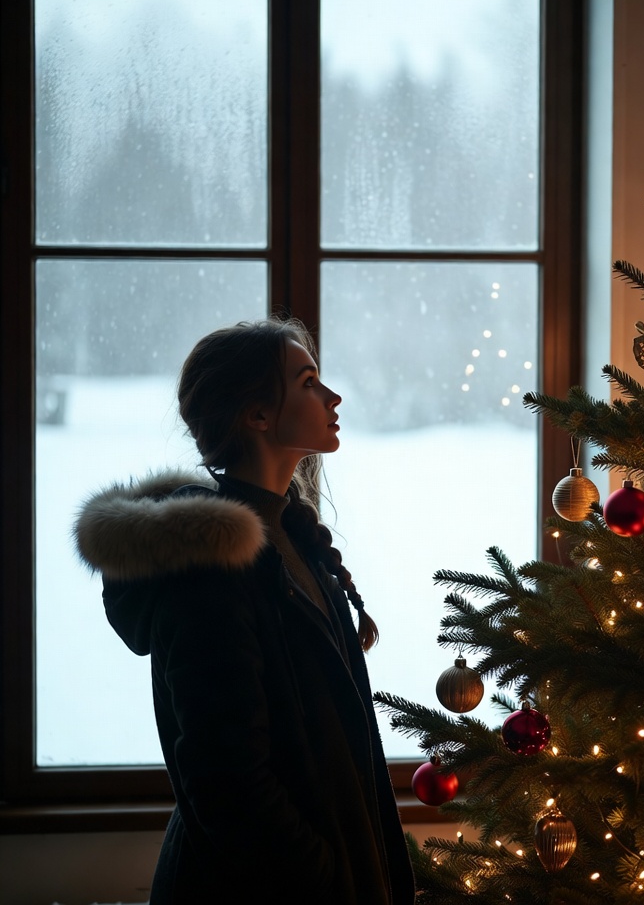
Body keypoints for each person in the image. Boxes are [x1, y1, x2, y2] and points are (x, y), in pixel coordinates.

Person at [73, 316, 416, 904]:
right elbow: (225, 776)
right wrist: (321, 877)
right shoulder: (216, 562)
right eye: (308, 382)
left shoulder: (287, 537)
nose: (331, 397)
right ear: (257, 415)